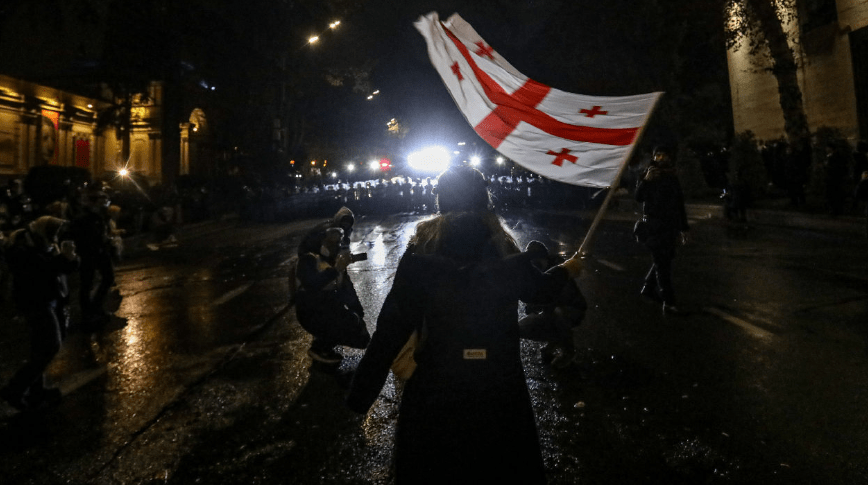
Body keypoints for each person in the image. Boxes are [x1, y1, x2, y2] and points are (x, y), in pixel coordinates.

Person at [346, 165, 582, 484]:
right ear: (484, 199)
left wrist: (362, 394)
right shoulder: (503, 249)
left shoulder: (420, 257)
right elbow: (539, 289)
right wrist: (567, 269)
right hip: (498, 385)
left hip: (436, 388)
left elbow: (390, 328)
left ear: (442, 200)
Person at [0, 216, 79, 412]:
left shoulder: (43, 243)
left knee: (41, 347)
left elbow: (61, 269)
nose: (56, 236)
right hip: (35, 302)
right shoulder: (21, 247)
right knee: (50, 346)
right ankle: (15, 388)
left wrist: (71, 257)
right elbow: (42, 269)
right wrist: (64, 258)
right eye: (54, 232)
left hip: (51, 299)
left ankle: (36, 390)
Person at [294, 207, 369, 364]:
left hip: (326, 309)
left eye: (338, 241)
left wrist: (357, 312)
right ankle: (320, 347)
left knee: (360, 335)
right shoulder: (308, 260)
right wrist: (335, 270)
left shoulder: (335, 261)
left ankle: (328, 338)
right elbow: (312, 284)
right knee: (336, 319)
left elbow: (346, 288)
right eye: (330, 240)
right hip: (310, 312)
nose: (335, 244)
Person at [635, 145, 690, 315]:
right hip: (654, 227)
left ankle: (648, 287)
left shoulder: (672, 176)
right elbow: (638, 196)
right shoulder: (648, 174)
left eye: (663, 155)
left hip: (670, 226)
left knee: (665, 260)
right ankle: (669, 301)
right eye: (657, 155)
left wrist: (684, 228)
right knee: (662, 264)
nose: (660, 158)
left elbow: (679, 204)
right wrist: (646, 181)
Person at [518, 240, 587, 369]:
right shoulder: (542, 273)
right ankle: (554, 342)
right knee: (522, 328)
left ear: (545, 258)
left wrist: (538, 304)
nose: (536, 267)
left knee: (558, 314)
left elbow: (560, 299)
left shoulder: (560, 274)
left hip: (572, 310)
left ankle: (568, 352)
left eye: (538, 262)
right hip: (553, 311)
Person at [69, 188, 115, 330]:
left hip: (101, 252)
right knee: (86, 283)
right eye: (102, 199)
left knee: (108, 278)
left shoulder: (100, 216)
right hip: (88, 254)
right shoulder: (83, 218)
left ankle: (96, 306)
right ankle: (87, 313)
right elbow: (80, 237)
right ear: (94, 202)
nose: (105, 202)